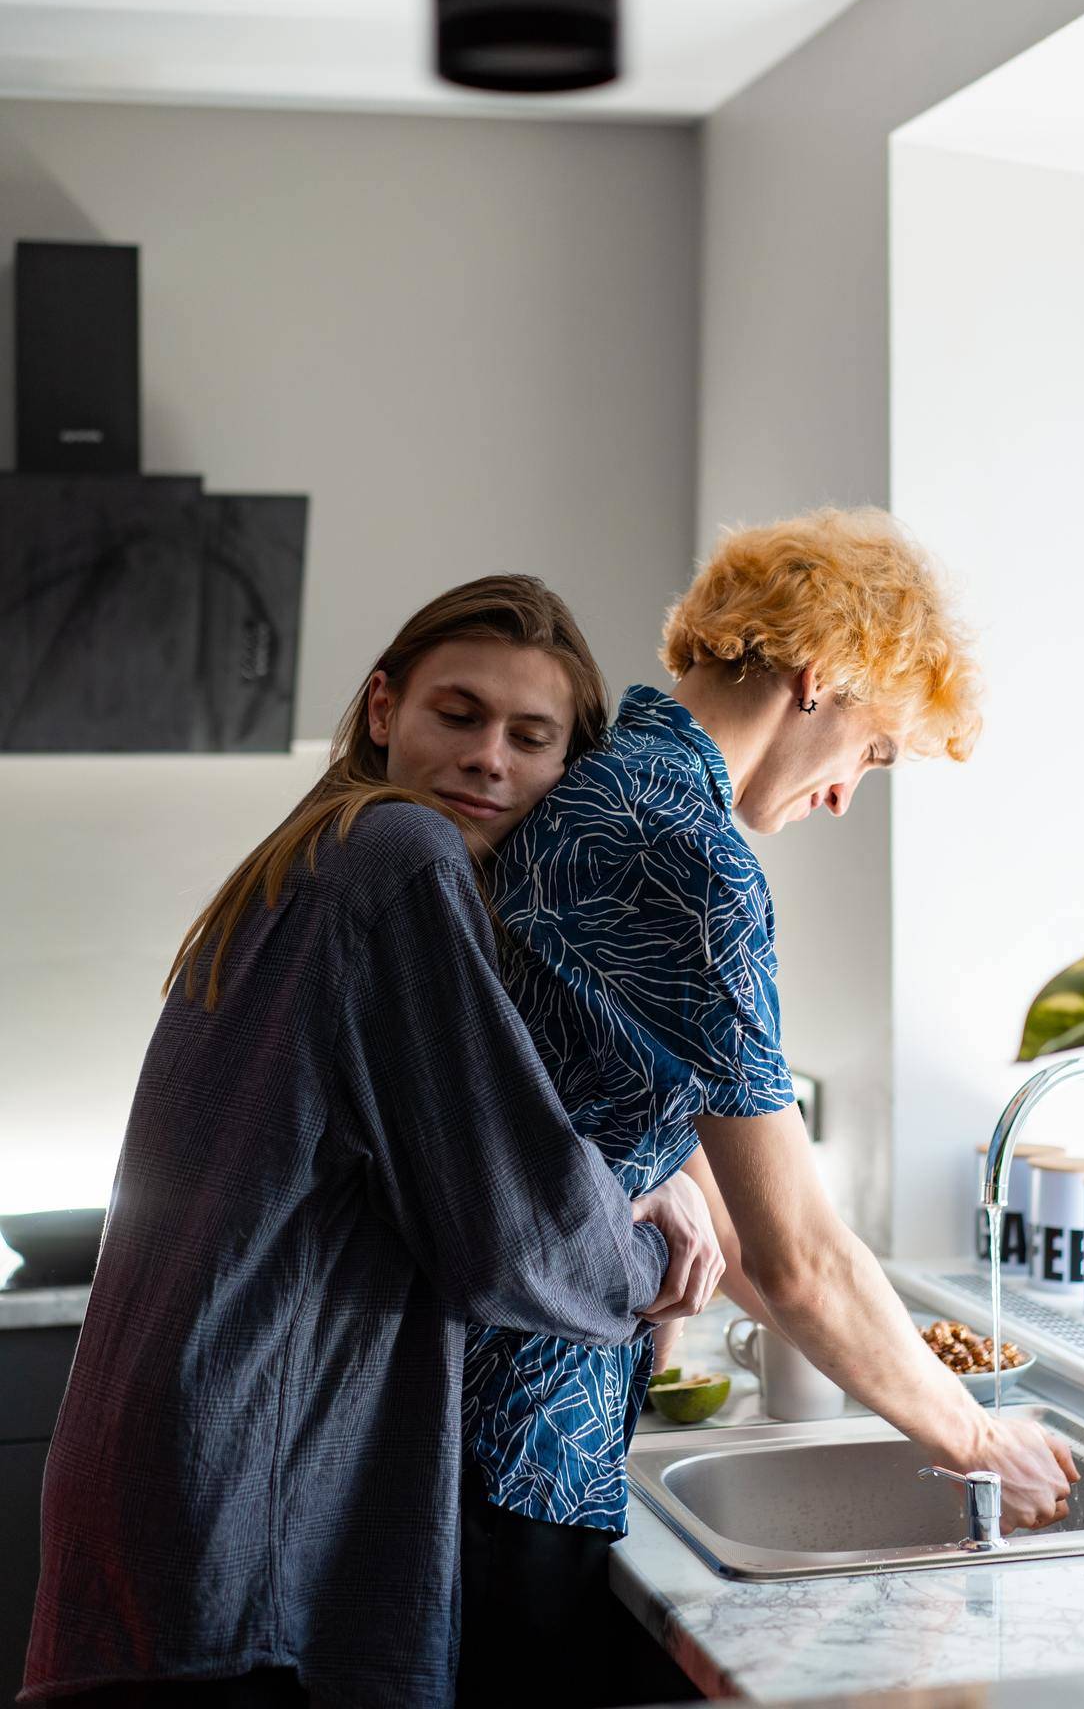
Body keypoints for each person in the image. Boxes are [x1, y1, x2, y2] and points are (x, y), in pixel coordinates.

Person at [21, 577, 723, 1709]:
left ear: (564, 767)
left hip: (176, 1462)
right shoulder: (400, 856)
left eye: (530, 738)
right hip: (248, 1482)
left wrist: (660, 1168)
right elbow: (512, 1233)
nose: (490, 758)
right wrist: (646, 1262)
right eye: (460, 714)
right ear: (386, 707)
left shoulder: (313, 852)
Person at [456, 509, 1080, 1708]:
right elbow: (797, 1260)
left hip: (478, 1410)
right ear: (822, 677)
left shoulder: (598, 780)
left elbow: (734, 1231)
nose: (848, 797)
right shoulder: (694, 856)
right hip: (522, 1426)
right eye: (875, 752)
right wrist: (973, 1434)